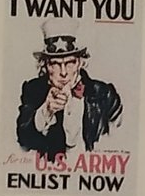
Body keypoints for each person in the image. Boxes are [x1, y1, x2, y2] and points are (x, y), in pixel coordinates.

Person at [15, 23, 123, 161]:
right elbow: (23, 140)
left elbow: (119, 139)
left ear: (80, 63)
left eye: (70, 63)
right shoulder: (33, 90)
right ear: (45, 66)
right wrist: (46, 111)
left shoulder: (104, 94)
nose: (64, 72)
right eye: (55, 64)